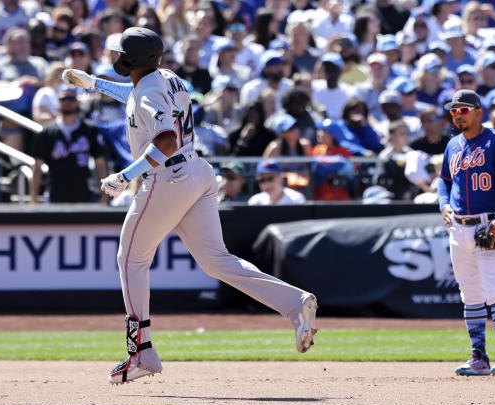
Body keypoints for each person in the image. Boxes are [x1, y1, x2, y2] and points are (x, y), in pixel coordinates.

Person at [62, 27, 318, 384]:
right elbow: (137, 95)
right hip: (197, 172)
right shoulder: (164, 77)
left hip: (167, 179)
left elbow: (164, 139)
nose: (114, 57)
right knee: (216, 261)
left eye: (119, 53)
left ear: (131, 59)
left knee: (130, 259)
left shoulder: (149, 88)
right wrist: (94, 84)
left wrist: (125, 175)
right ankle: (295, 304)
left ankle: (141, 351)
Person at [438, 89, 495, 377]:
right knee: (470, 293)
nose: (458, 115)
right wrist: (443, 205)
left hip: (488, 225)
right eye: (454, 111)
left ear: (478, 112)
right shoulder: (453, 145)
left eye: (463, 109)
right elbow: (443, 181)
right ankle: (479, 356)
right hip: (458, 228)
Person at [30, 84, 108, 204]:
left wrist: (104, 196)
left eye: (71, 99)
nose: (67, 102)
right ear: (57, 102)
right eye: (63, 99)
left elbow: (100, 162)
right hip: (55, 196)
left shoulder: (89, 129)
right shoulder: (47, 132)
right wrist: (33, 197)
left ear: (77, 102)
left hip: (84, 196)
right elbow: (37, 165)